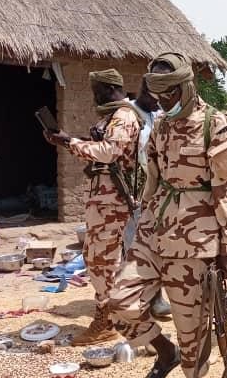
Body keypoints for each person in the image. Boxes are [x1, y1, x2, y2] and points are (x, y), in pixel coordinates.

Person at [107, 53, 227, 378]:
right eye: (157, 94)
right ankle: (166, 352)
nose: (163, 101)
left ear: (186, 86)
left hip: (194, 246)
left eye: (169, 93)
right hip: (154, 232)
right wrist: (141, 222)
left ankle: (187, 363)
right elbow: (153, 179)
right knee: (119, 302)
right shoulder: (161, 126)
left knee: (192, 342)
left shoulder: (214, 125)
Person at [44, 69, 143, 346]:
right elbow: (102, 149)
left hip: (112, 202)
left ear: (109, 89)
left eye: (96, 91)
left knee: (102, 261)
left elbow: (109, 152)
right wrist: (68, 140)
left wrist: (69, 141)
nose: (94, 97)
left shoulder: (123, 117)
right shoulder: (113, 117)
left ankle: (106, 321)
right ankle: (112, 314)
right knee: (98, 258)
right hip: (104, 201)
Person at [124, 82, 171, 319]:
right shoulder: (126, 113)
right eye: (154, 99)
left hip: (155, 189)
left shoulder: (159, 115)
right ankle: (138, 300)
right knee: (135, 245)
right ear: (144, 93)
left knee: (156, 246)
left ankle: (155, 298)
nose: (158, 104)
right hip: (134, 190)